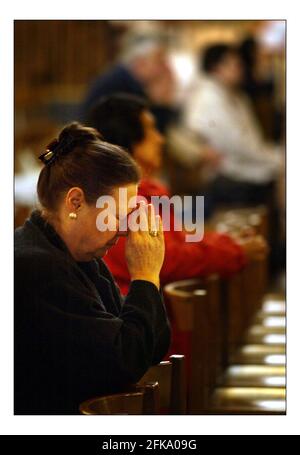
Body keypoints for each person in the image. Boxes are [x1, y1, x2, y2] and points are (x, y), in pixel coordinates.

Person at [14, 122, 170, 415]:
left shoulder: (79, 257)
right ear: (75, 201)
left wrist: (148, 278)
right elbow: (123, 364)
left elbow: (153, 344)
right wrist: (146, 276)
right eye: (116, 216)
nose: (124, 231)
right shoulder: (37, 267)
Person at [87, 94, 268, 293]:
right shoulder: (118, 198)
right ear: (128, 140)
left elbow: (180, 238)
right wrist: (235, 251)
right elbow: (165, 259)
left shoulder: (145, 190)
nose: (160, 138)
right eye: (151, 129)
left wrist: (227, 241)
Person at [182, 43, 283, 208]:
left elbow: (249, 143)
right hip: (229, 178)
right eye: (235, 64)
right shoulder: (209, 98)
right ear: (217, 68)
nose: (240, 68)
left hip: (243, 169)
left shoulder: (232, 94)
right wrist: (277, 158)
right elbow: (239, 145)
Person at [81, 32, 177, 133]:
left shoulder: (126, 80)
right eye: (160, 61)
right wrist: (161, 104)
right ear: (140, 62)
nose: (166, 67)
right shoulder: (121, 87)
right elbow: (148, 137)